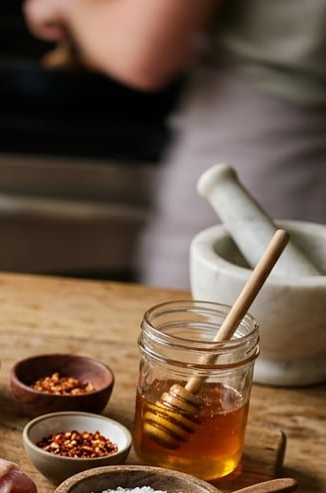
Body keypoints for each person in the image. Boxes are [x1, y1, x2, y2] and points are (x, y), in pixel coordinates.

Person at [22, 0, 326, 288]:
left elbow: (142, 51)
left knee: (197, 323)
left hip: (275, 125)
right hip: (282, 113)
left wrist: (69, 5)